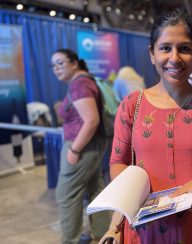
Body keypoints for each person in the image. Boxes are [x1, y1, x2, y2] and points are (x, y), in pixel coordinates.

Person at [109, 9, 192, 243]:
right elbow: (118, 163)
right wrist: (117, 219)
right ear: (152, 54)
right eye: (165, 48)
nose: (174, 58)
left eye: (184, 48)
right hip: (144, 224)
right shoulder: (131, 105)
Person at [52, 48, 110, 243]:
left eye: (60, 63)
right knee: (96, 189)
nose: (56, 68)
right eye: (53, 65)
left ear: (74, 63)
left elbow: (91, 120)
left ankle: (70, 240)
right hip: (92, 145)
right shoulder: (87, 81)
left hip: (82, 146)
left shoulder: (79, 85)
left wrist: (75, 149)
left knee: (66, 195)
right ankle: (103, 235)